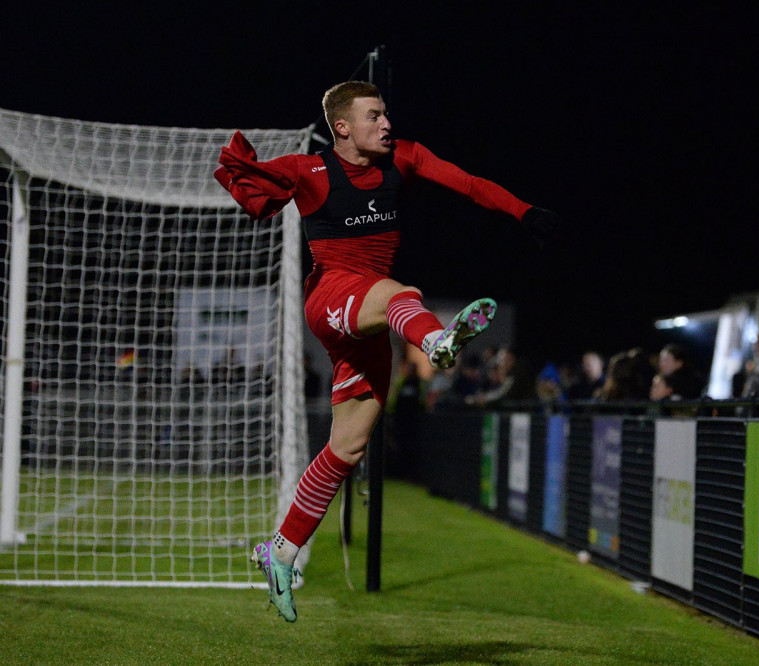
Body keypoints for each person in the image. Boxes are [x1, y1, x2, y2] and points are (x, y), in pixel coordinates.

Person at [214, 80, 559, 621]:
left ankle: (279, 551)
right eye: (374, 115)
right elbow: (251, 184)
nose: (387, 123)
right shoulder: (311, 171)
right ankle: (437, 339)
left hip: (373, 320)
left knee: (347, 448)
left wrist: (523, 212)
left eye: (386, 114)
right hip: (333, 297)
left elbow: (467, 185)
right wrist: (250, 180)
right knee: (400, 294)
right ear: (343, 126)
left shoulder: (406, 158)